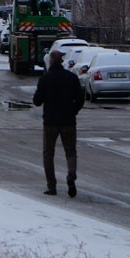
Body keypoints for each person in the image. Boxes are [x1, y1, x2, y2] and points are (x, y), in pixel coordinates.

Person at [32, 49, 84, 196]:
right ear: (61, 61)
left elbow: (37, 101)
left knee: (48, 153)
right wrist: (73, 111)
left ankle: (51, 186)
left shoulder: (45, 79)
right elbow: (80, 98)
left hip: (50, 122)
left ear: (51, 61)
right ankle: (71, 176)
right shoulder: (72, 78)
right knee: (71, 152)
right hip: (68, 121)